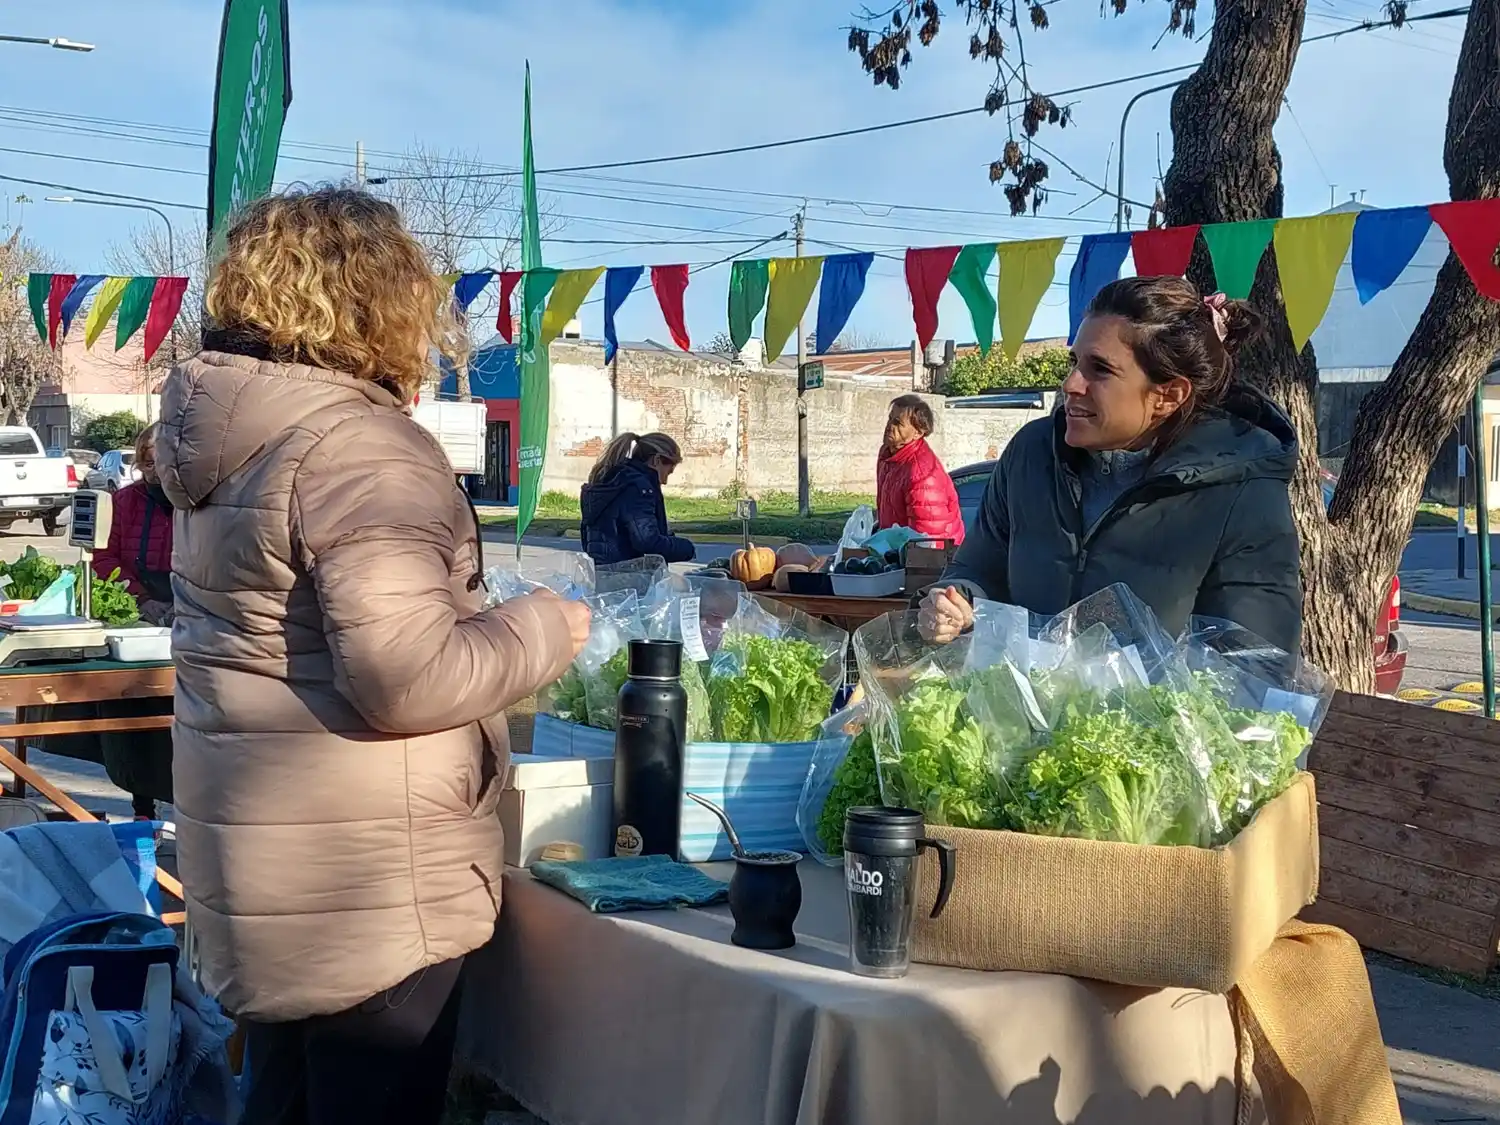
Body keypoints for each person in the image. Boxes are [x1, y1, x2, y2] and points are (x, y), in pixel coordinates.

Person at [157, 186, 591, 1125]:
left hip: (269, 880)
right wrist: (545, 628)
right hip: (368, 894)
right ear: (376, 302)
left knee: (280, 1098)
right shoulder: (359, 449)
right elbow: (406, 674)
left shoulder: (232, 439)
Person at [920, 275, 1302, 654]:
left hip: (1157, 717)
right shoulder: (1030, 454)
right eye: (1075, 363)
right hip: (1015, 711)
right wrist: (958, 602)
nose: (1071, 384)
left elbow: (1254, 662)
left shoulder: (1242, 488)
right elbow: (978, 569)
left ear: (1168, 396)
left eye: (1099, 369)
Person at [91, 421, 176, 820]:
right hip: (139, 618)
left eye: (161, 465)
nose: (154, 474)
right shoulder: (125, 502)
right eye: (148, 467)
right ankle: (142, 809)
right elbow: (104, 558)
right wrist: (141, 600)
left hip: (193, 613)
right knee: (135, 715)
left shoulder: (203, 503)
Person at [579, 431, 695, 565]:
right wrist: (686, 548)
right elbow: (646, 540)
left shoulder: (609, 482)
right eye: (668, 472)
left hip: (601, 571)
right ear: (656, 460)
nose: (665, 482)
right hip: (628, 575)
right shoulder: (637, 488)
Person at [876, 394, 965, 545]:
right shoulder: (888, 454)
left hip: (936, 558)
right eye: (890, 419)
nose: (890, 426)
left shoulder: (922, 474)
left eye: (898, 423)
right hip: (900, 551)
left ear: (918, 433)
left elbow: (927, 539)